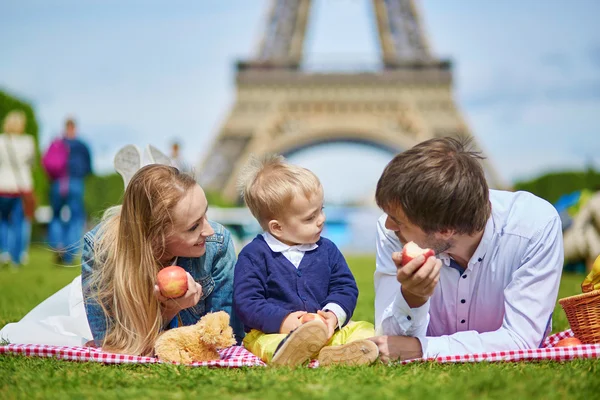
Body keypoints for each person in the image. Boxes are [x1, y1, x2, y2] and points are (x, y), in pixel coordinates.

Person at [368, 137, 564, 362]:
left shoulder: (534, 228)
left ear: (445, 229)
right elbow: (388, 344)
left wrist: (424, 349)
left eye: (399, 221)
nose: (387, 225)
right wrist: (413, 296)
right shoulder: (394, 234)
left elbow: (521, 340)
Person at [83, 164, 244, 356]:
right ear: (155, 238)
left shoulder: (217, 244)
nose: (209, 231)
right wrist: (170, 310)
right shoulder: (100, 248)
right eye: (194, 227)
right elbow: (110, 348)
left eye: (205, 214)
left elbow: (225, 343)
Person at [234, 155, 378, 367]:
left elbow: (344, 286)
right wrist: (285, 321)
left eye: (322, 209)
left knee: (365, 330)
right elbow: (247, 302)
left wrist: (333, 316)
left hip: (325, 330)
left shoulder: (327, 249)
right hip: (274, 332)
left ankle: (337, 353)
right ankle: (291, 352)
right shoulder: (254, 255)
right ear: (277, 227)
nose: (321, 219)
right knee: (265, 344)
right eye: (310, 217)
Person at [46, 117, 92, 265]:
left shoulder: (57, 144)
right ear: (75, 128)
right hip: (75, 183)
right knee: (76, 218)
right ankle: (70, 253)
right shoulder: (81, 145)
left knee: (56, 216)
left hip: (58, 183)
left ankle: (57, 244)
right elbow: (88, 168)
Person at [0, 110, 35, 267]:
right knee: (20, 222)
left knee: (3, 221)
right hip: (21, 187)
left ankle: (4, 251)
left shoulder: (1, 141)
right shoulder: (28, 141)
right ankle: (18, 256)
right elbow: (32, 163)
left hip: (3, 186)